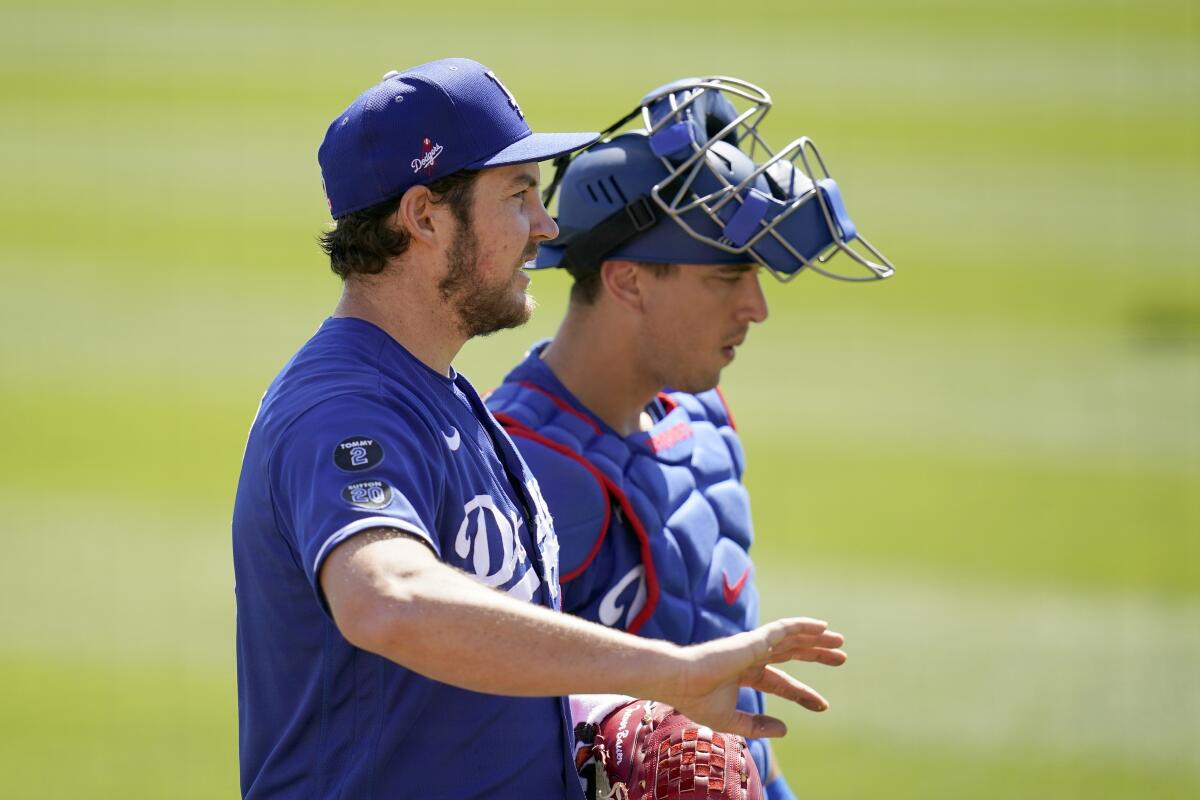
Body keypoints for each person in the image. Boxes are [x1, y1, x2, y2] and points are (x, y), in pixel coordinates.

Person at [231, 60, 847, 800]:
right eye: (518, 196)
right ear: (425, 216)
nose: (548, 228)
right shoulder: (343, 408)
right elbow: (387, 599)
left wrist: (608, 726)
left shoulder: (454, 403)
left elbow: (484, 680)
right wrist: (670, 673)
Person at [486, 76, 894, 800]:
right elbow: (475, 733)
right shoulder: (531, 474)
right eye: (728, 277)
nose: (758, 307)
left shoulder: (698, 416)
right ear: (629, 281)